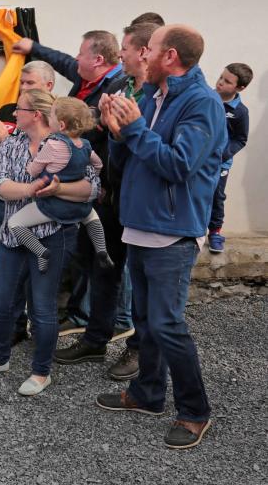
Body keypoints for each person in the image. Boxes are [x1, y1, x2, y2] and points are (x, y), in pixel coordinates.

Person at [97, 24, 226, 449]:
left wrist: (133, 130)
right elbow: (132, 160)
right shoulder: (152, 96)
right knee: (146, 322)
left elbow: (178, 165)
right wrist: (117, 131)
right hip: (139, 224)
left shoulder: (201, 102)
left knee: (169, 326)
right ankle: (147, 395)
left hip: (171, 231)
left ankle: (194, 412)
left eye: (147, 50)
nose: (138, 57)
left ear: (169, 57)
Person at [0, 89, 99, 396]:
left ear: (36, 115)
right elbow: (0, 186)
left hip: (53, 238)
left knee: (42, 308)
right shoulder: (11, 144)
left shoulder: (68, 146)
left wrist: (56, 191)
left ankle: (41, 372)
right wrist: (34, 189)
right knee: (1, 303)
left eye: (20, 110)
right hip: (12, 237)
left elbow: (91, 187)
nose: (14, 114)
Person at [13, 31, 131, 353]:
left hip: (104, 190)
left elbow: (103, 142)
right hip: (90, 190)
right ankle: (85, 317)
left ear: (97, 60)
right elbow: (66, 62)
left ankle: (121, 319)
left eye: (81, 54)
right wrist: (33, 47)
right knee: (91, 252)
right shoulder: (89, 82)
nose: (75, 59)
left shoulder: (117, 87)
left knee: (111, 258)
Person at [55, 21, 160, 379]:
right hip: (109, 194)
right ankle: (95, 339)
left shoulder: (162, 95)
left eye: (127, 48)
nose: (121, 55)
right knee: (102, 267)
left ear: (144, 52)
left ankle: (138, 351)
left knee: (144, 281)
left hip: (145, 200)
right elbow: (100, 134)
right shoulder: (118, 85)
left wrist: (120, 127)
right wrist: (98, 121)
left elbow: (153, 147)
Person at [0, 60, 56, 346]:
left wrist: (8, 143)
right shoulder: (7, 112)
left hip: (39, 208)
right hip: (2, 205)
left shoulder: (59, 117)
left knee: (38, 270)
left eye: (30, 84)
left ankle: (41, 332)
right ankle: (13, 328)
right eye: (22, 83)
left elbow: (52, 161)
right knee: (8, 269)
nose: (23, 89)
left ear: (49, 87)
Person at [8, 96, 112, 273]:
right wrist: (91, 177)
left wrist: (28, 166)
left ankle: (41, 252)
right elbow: (98, 164)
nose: (50, 118)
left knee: (14, 224)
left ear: (61, 125)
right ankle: (101, 249)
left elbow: (34, 170)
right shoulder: (85, 145)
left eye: (53, 115)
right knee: (92, 217)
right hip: (80, 205)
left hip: (54, 206)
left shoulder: (53, 145)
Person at [208, 62, 252, 253]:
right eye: (220, 77)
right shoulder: (205, 99)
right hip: (197, 160)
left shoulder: (240, 112)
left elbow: (240, 139)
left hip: (220, 164)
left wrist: (222, 154)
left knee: (217, 196)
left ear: (240, 87)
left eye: (227, 82)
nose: (220, 83)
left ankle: (215, 232)